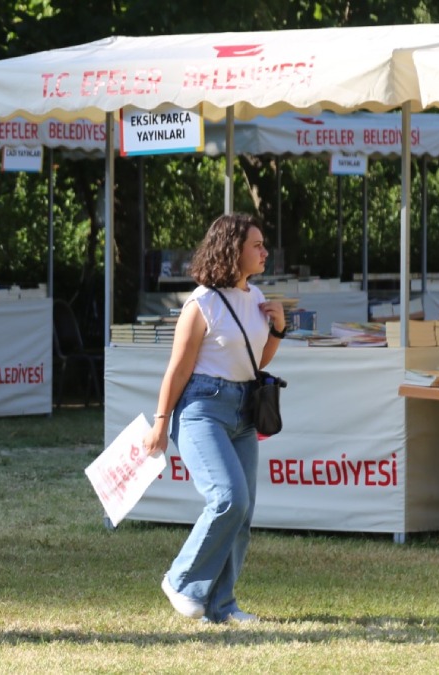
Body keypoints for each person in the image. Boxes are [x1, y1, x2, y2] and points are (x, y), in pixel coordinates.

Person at [142, 213, 287, 624]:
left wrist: (278, 329)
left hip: (243, 409)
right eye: (256, 245)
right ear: (233, 250)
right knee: (229, 499)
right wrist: (160, 423)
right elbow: (177, 369)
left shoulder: (256, 296)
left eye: (263, 244)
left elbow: (255, 362)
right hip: (202, 409)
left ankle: (222, 607)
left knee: (243, 511)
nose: (265, 252)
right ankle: (181, 580)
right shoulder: (201, 302)